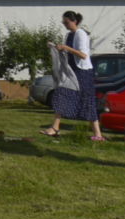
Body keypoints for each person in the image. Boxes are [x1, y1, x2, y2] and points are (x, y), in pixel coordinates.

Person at [42, 10, 104, 140]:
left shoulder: (80, 34)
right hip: (73, 71)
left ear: (74, 21)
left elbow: (83, 55)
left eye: (67, 22)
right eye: (63, 22)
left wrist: (65, 48)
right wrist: (55, 47)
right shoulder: (69, 35)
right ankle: (55, 127)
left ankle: (98, 134)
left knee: (88, 101)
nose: (65, 24)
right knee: (62, 94)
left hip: (83, 73)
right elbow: (67, 53)